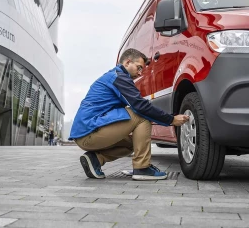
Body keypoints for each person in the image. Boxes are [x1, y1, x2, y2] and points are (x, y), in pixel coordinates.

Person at [69, 48, 189, 181]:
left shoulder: (115, 77)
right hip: (89, 133)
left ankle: (95, 159)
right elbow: (141, 106)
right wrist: (171, 120)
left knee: (133, 144)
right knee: (142, 116)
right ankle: (142, 168)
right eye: (138, 67)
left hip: (87, 134)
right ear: (127, 63)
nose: (140, 73)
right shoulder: (118, 78)